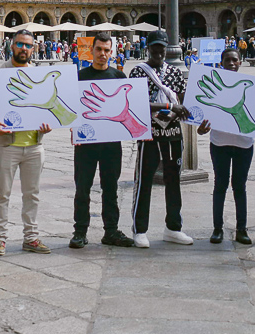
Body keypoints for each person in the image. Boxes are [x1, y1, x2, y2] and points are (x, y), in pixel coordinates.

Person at [0, 28, 52, 255]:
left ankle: (31, 237)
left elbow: (47, 107)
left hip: (35, 145)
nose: (24, 49)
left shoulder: (38, 74)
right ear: (12, 46)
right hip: (6, 145)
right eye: (20, 44)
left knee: (33, 194)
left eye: (28, 45)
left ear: (34, 48)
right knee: (2, 193)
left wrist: (49, 123)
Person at [70, 33, 135, 248]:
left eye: (107, 50)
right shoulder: (80, 76)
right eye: (99, 49)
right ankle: (80, 232)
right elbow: (71, 108)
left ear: (112, 52)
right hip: (86, 143)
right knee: (82, 189)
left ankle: (111, 231)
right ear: (91, 51)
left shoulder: (119, 76)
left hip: (111, 144)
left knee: (111, 188)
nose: (102, 54)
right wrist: (73, 129)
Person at [128, 29, 192, 247]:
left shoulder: (174, 72)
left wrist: (175, 112)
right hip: (149, 134)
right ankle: (140, 229)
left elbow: (183, 100)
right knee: (144, 180)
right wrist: (169, 106)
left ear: (167, 49)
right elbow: (136, 102)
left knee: (174, 181)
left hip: (172, 133)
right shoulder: (138, 72)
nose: (158, 52)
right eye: (155, 48)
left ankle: (173, 227)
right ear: (148, 48)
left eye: (162, 49)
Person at [197, 48, 255, 245]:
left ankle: (241, 229)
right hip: (219, 143)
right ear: (221, 63)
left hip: (244, 145)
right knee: (220, 185)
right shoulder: (218, 85)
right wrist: (201, 128)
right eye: (227, 60)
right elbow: (200, 128)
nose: (231, 63)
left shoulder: (252, 88)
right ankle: (217, 228)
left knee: (239, 186)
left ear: (240, 62)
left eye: (234, 60)